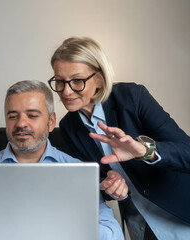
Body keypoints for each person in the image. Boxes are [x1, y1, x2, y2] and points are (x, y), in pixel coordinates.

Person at [49, 37, 190, 239]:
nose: (66, 91)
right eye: (60, 81)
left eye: (77, 81)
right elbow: (94, 186)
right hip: (139, 225)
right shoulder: (69, 127)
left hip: (181, 214)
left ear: (99, 78)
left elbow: (187, 153)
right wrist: (110, 186)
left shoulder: (133, 97)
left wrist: (145, 151)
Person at [0, 80, 124, 240]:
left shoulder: (79, 171)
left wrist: (68, 224)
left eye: (32, 115)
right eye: (12, 116)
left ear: (51, 122)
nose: (21, 123)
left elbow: (113, 234)